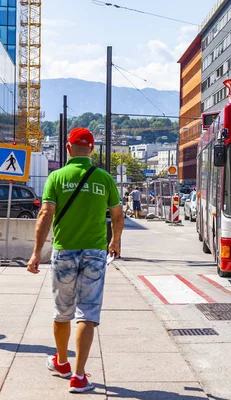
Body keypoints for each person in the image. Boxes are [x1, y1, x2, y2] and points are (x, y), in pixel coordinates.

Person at [26, 127, 124, 394]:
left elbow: (45, 215)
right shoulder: (104, 178)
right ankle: (79, 377)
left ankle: (61, 362)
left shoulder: (56, 177)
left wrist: (36, 254)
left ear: (68, 149)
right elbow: (117, 215)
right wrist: (115, 241)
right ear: (91, 149)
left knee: (62, 312)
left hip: (64, 251)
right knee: (88, 313)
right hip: (94, 252)